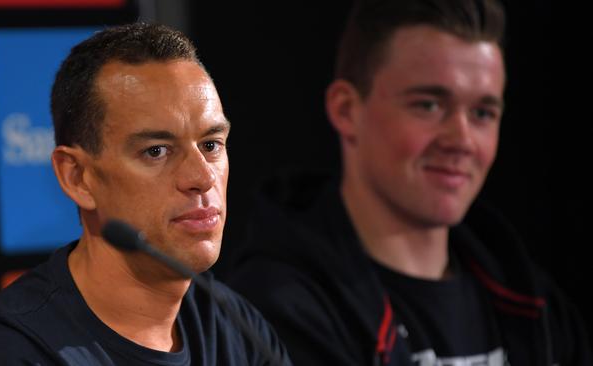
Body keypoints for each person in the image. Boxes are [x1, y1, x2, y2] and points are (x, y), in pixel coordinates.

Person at [226, 0, 592, 365]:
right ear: (346, 110)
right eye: (429, 105)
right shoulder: (276, 309)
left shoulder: (533, 300)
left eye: (482, 113)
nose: (462, 140)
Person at [0, 23, 291, 366]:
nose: (202, 177)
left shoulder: (237, 327)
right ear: (77, 176)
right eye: (157, 151)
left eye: (211, 145)